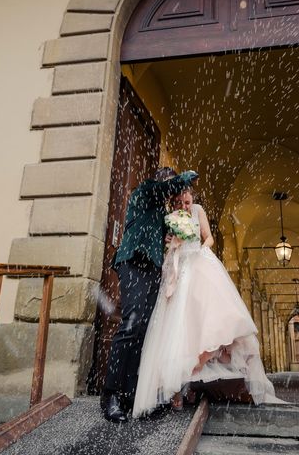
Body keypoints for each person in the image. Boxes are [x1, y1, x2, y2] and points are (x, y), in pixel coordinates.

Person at [133, 189, 283, 418]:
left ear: (193, 200)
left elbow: (209, 236)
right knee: (179, 328)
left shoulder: (199, 211)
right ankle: (177, 387)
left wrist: (202, 249)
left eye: (187, 202)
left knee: (209, 321)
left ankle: (192, 380)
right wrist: (172, 242)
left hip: (199, 263)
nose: (184, 206)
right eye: (180, 203)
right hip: (179, 268)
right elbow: (167, 241)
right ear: (174, 202)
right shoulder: (170, 216)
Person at [101, 168, 198, 423]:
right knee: (131, 324)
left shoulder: (163, 212)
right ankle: (109, 394)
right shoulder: (144, 191)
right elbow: (162, 190)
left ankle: (130, 395)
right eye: (170, 186)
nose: (172, 192)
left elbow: (162, 234)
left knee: (143, 329)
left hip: (152, 269)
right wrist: (185, 178)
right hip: (133, 262)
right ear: (162, 181)